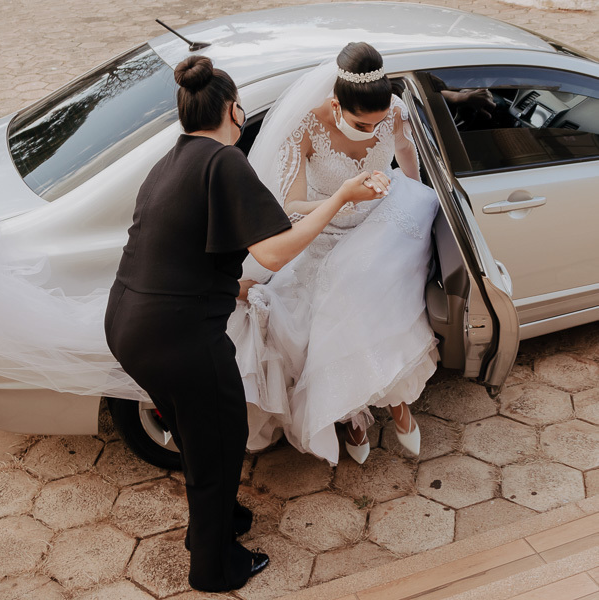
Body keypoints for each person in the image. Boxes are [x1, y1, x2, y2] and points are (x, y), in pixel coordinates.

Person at [104, 55, 388, 593]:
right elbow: (275, 253)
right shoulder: (223, 161)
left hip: (127, 323)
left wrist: (232, 287)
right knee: (221, 437)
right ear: (235, 111)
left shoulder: (172, 161)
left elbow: (177, 249)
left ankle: (215, 526)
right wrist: (341, 197)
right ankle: (215, 568)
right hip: (177, 335)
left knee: (196, 434)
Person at [230, 42, 440, 466]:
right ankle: (351, 411)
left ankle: (396, 399)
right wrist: (344, 197)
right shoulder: (307, 129)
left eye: (378, 122)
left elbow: (403, 149)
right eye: (363, 124)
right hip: (323, 233)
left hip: (378, 224)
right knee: (328, 317)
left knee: (376, 303)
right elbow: (292, 206)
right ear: (335, 104)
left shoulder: (393, 110)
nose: (372, 129)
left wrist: (414, 193)